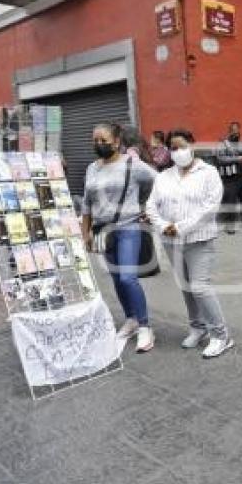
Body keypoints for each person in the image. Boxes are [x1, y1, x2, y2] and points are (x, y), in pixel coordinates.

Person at [146, 128, 234, 358]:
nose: (178, 152)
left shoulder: (209, 172)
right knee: (186, 287)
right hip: (170, 240)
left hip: (199, 239)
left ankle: (221, 335)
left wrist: (180, 227)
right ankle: (198, 327)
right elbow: (151, 206)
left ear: (192, 145)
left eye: (182, 146)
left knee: (200, 287)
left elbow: (210, 207)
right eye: (173, 148)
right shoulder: (163, 176)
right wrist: (164, 226)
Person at [82, 123, 158, 352]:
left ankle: (145, 326)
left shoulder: (132, 164)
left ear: (116, 141)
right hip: (103, 231)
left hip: (128, 227)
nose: (99, 144)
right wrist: (85, 232)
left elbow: (158, 181)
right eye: (95, 140)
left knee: (127, 278)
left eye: (103, 140)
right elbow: (87, 202)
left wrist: (146, 206)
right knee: (116, 279)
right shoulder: (92, 168)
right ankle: (131, 319)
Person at [218, 122, 242, 234]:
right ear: (229, 131)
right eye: (233, 130)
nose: (235, 132)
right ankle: (229, 225)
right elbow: (221, 160)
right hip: (230, 178)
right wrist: (237, 159)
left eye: (237, 130)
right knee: (230, 201)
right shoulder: (222, 145)